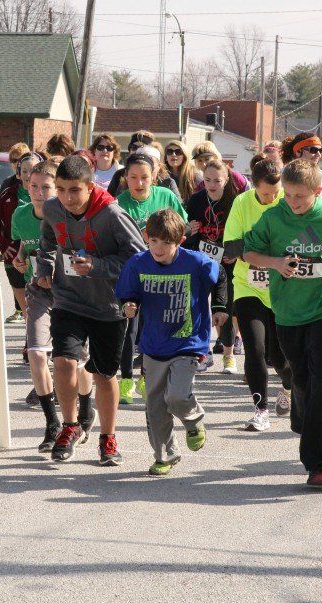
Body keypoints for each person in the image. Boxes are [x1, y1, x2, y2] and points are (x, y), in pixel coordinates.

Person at [243, 159, 322, 488]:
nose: (293, 203)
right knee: (301, 379)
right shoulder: (274, 218)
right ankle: (300, 410)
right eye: (288, 195)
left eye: (301, 197)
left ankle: (318, 464)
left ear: (318, 192)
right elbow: (249, 252)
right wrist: (275, 262)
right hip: (288, 312)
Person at [36, 155, 146, 465]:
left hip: (108, 305)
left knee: (104, 374)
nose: (67, 198)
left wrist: (96, 266)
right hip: (68, 299)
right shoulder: (54, 208)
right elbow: (47, 242)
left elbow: (137, 260)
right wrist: (44, 267)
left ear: (89, 186)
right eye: (60, 189)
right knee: (64, 363)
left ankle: (108, 437)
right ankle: (70, 426)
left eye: (74, 190)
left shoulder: (112, 214)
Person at [116, 209, 228, 476]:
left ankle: (193, 421)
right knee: (155, 407)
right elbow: (128, 295)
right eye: (153, 241)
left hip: (188, 342)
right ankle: (164, 455)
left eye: (166, 242)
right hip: (154, 344)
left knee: (176, 396)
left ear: (179, 240)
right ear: (146, 238)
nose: (158, 248)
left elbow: (221, 274)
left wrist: (221, 306)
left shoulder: (196, 262)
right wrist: (128, 305)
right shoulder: (138, 263)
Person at [11, 159, 94, 449]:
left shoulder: (67, 215)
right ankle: (52, 424)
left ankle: (85, 408)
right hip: (39, 292)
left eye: (46, 187)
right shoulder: (21, 215)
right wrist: (20, 259)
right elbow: (25, 247)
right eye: (33, 186)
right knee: (36, 354)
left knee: (76, 363)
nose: (38, 192)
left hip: (70, 293)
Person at [223, 159, 293, 431]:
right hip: (247, 286)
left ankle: (288, 386)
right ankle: (260, 409)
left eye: (276, 193)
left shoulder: (286, 202)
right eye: (266, 194)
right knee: (255, 349)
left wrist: (256, 253)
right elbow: (232, 246)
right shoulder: (242, 203)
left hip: (280, 289)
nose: (271, 198)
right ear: (254, 186)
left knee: (280, 359)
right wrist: (269, 257)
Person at [115, 151, 186, 403]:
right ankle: (125, 380)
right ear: (126, 177)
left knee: (153, 328)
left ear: (154, 176)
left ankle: (146, 377)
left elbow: (181, 228)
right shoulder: (119, 202)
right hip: (132, 273)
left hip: (161, 275)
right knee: (128, 328)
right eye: (133, 177)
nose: (139, 182)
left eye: (144, 177)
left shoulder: (166, 196)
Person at [183, 157, 244, 375]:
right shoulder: (197, 199)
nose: (212, 184)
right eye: (208, 180)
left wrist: (235, 253)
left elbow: (245, 231)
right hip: (203, 257)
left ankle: (228, 355)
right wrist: (190, 228)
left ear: (226, 180)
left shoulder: (236, 200)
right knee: (198, 304)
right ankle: (203, 352)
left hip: (227, 259)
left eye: (217, 180)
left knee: (224, 307)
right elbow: (187, 232)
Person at [0, 152, 44, 326]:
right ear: (18, 173)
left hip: (46, 262)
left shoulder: (55, 205)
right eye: (25, 171)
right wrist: (5, 247)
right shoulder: (10, 195)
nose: (29, 175)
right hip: (16, 253)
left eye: (34, 170)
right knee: (28, 307)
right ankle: (30, 335)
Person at [281, 132, 322, 203]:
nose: (318, 154)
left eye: (320, 150)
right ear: (298, 151)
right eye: (313, 150)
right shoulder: (281, 175)